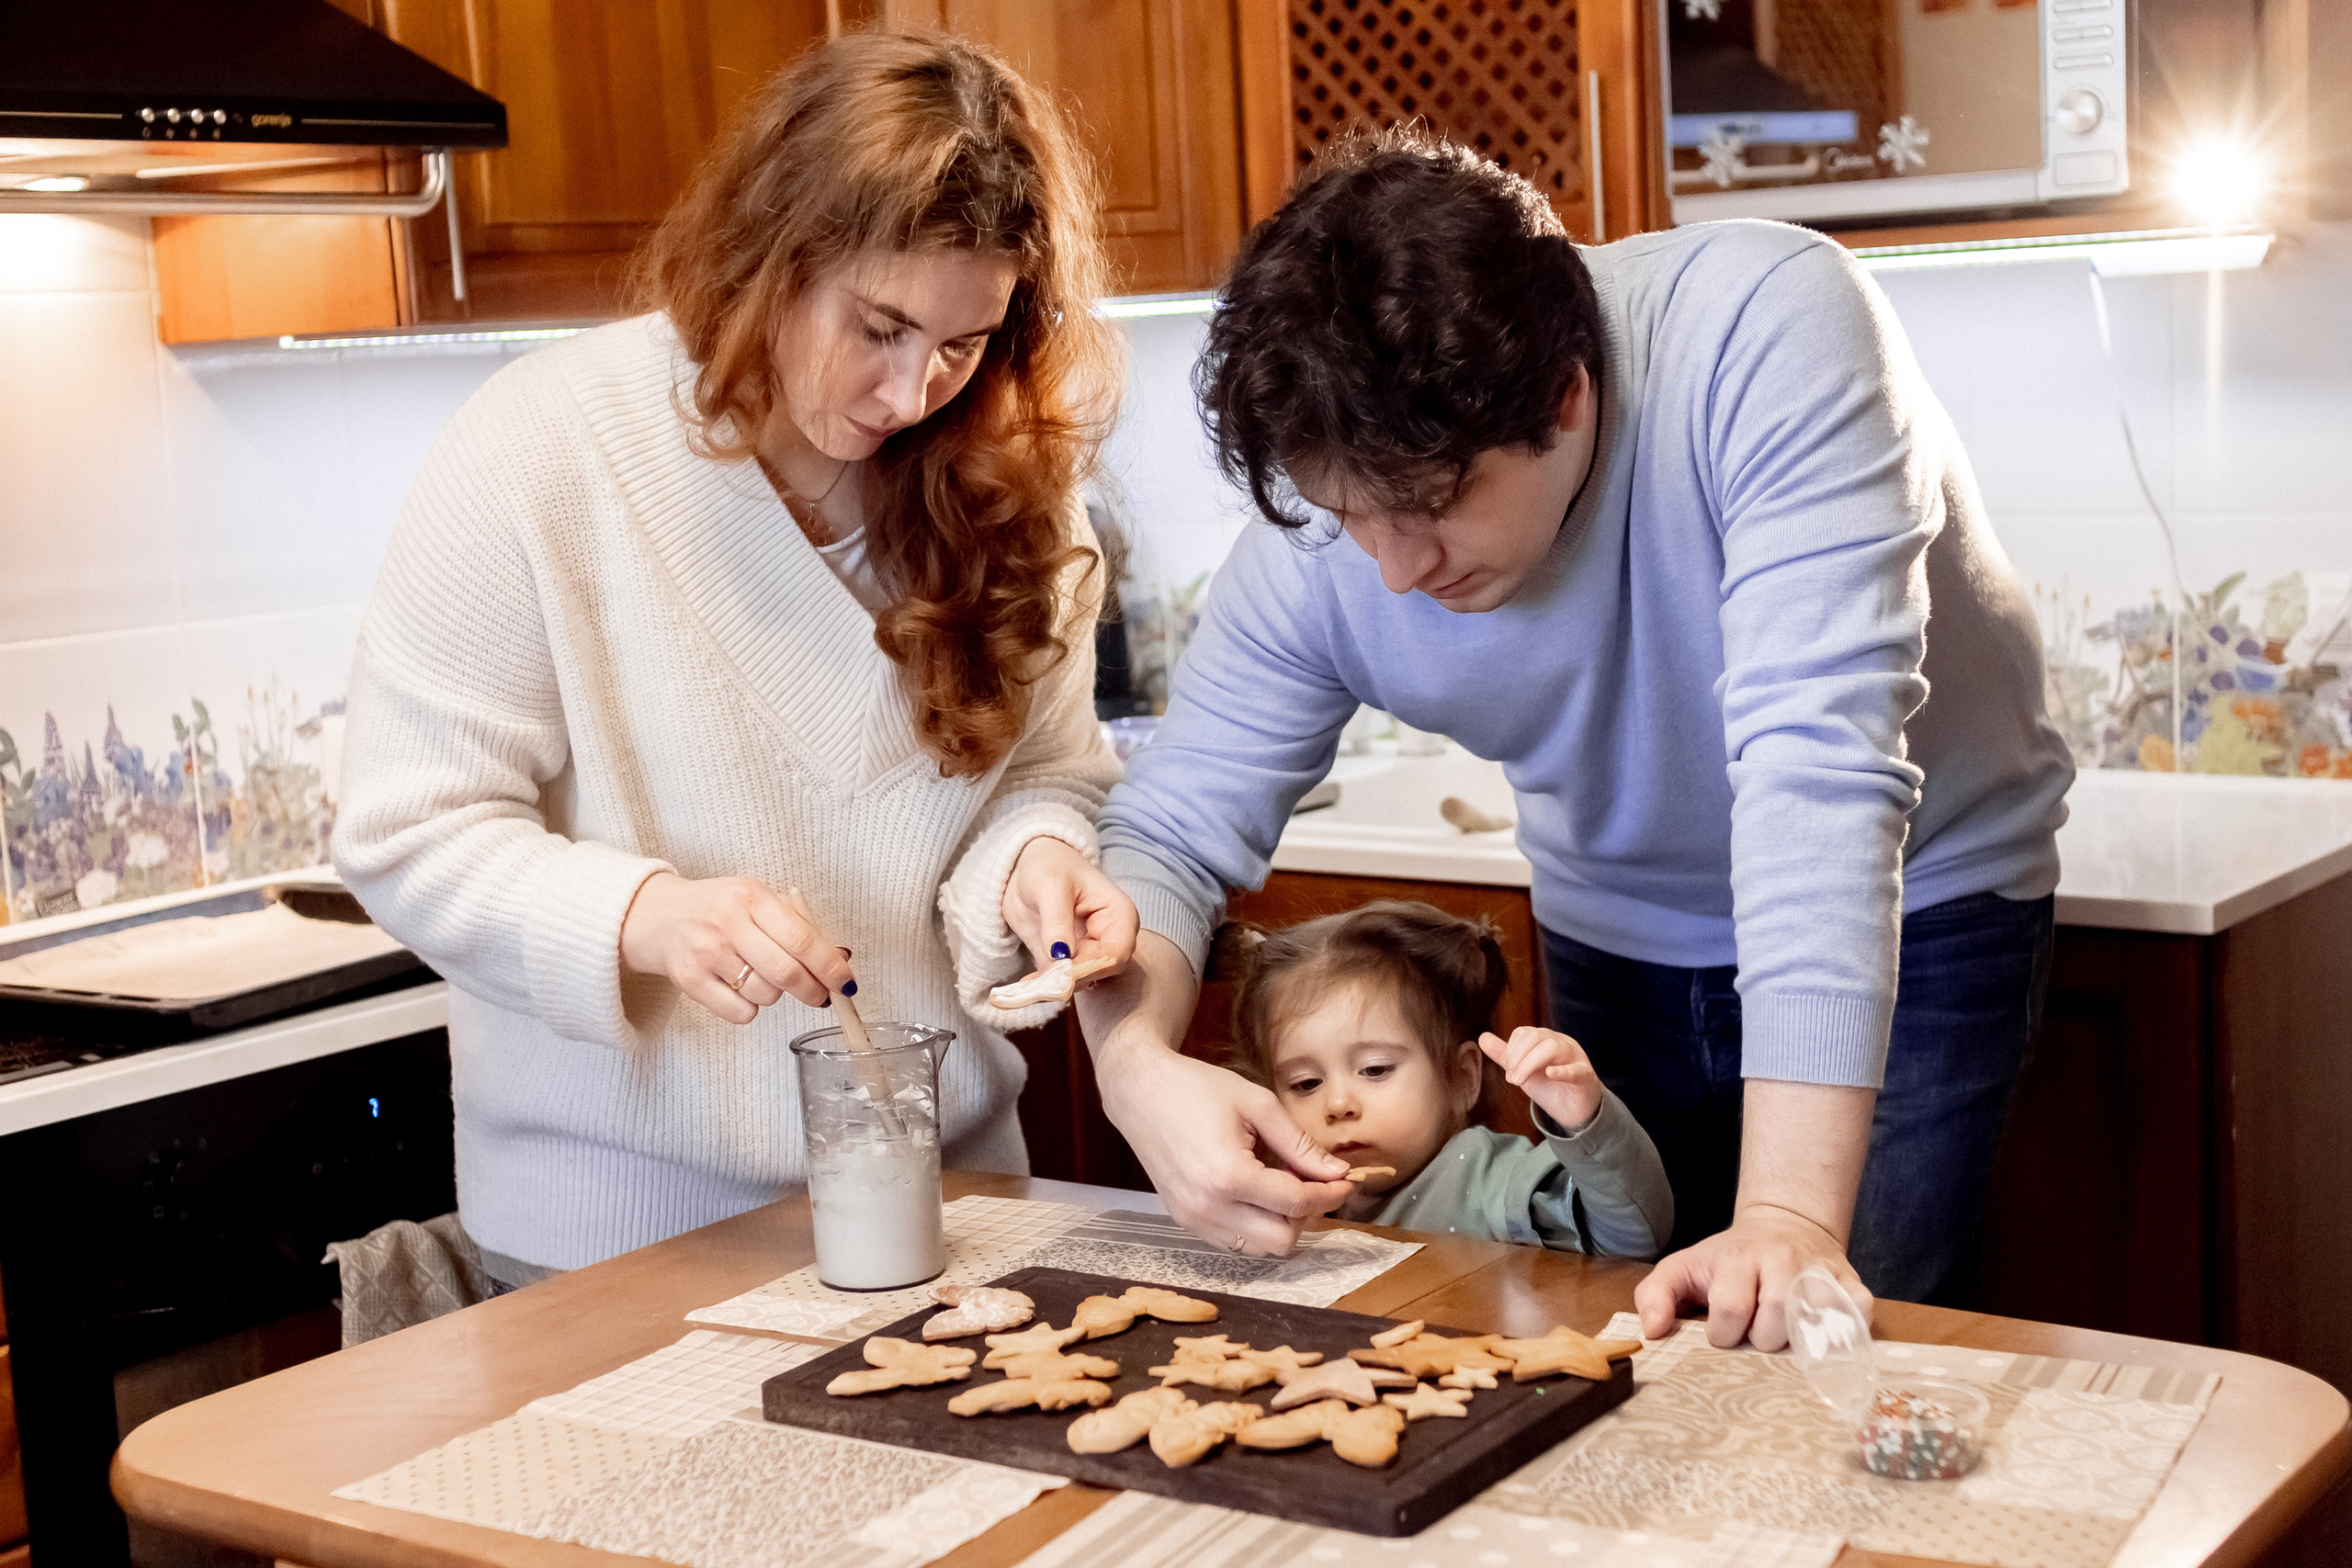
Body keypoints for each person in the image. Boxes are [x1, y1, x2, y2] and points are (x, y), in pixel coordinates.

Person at [1070, 127, 2075, 1349]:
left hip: (1917, 908)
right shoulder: (1336, 531)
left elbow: (1818, 775)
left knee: (1839, 1360)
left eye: (1432, 508)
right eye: (1347, 515)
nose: (1389, 568)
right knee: (1619, 1361)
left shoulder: (1765, 329)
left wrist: (1792, 1216)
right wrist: (1133, 1071)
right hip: (1617, 931)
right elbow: (1169, 831)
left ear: (1567, 395)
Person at [333, 30, 1138, 1292]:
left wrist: (1036, 865)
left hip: (957, 1210)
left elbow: (1048, 776)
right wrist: (643, 916)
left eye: (965, 340)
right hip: (605, 1247)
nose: (913, 387)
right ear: (772, 257)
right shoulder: (540, 451)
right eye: (878, 325)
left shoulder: (1017, 488)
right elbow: (404, 832)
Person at [1227, 901, 1672, 1258]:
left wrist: (1586, 1120)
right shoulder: (1283, 1191)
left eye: (1375, 1069)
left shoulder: (1489, 1181)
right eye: (1306, 1083)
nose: (1338, 1103)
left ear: (1461, 1078)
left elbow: (1633, 1238)